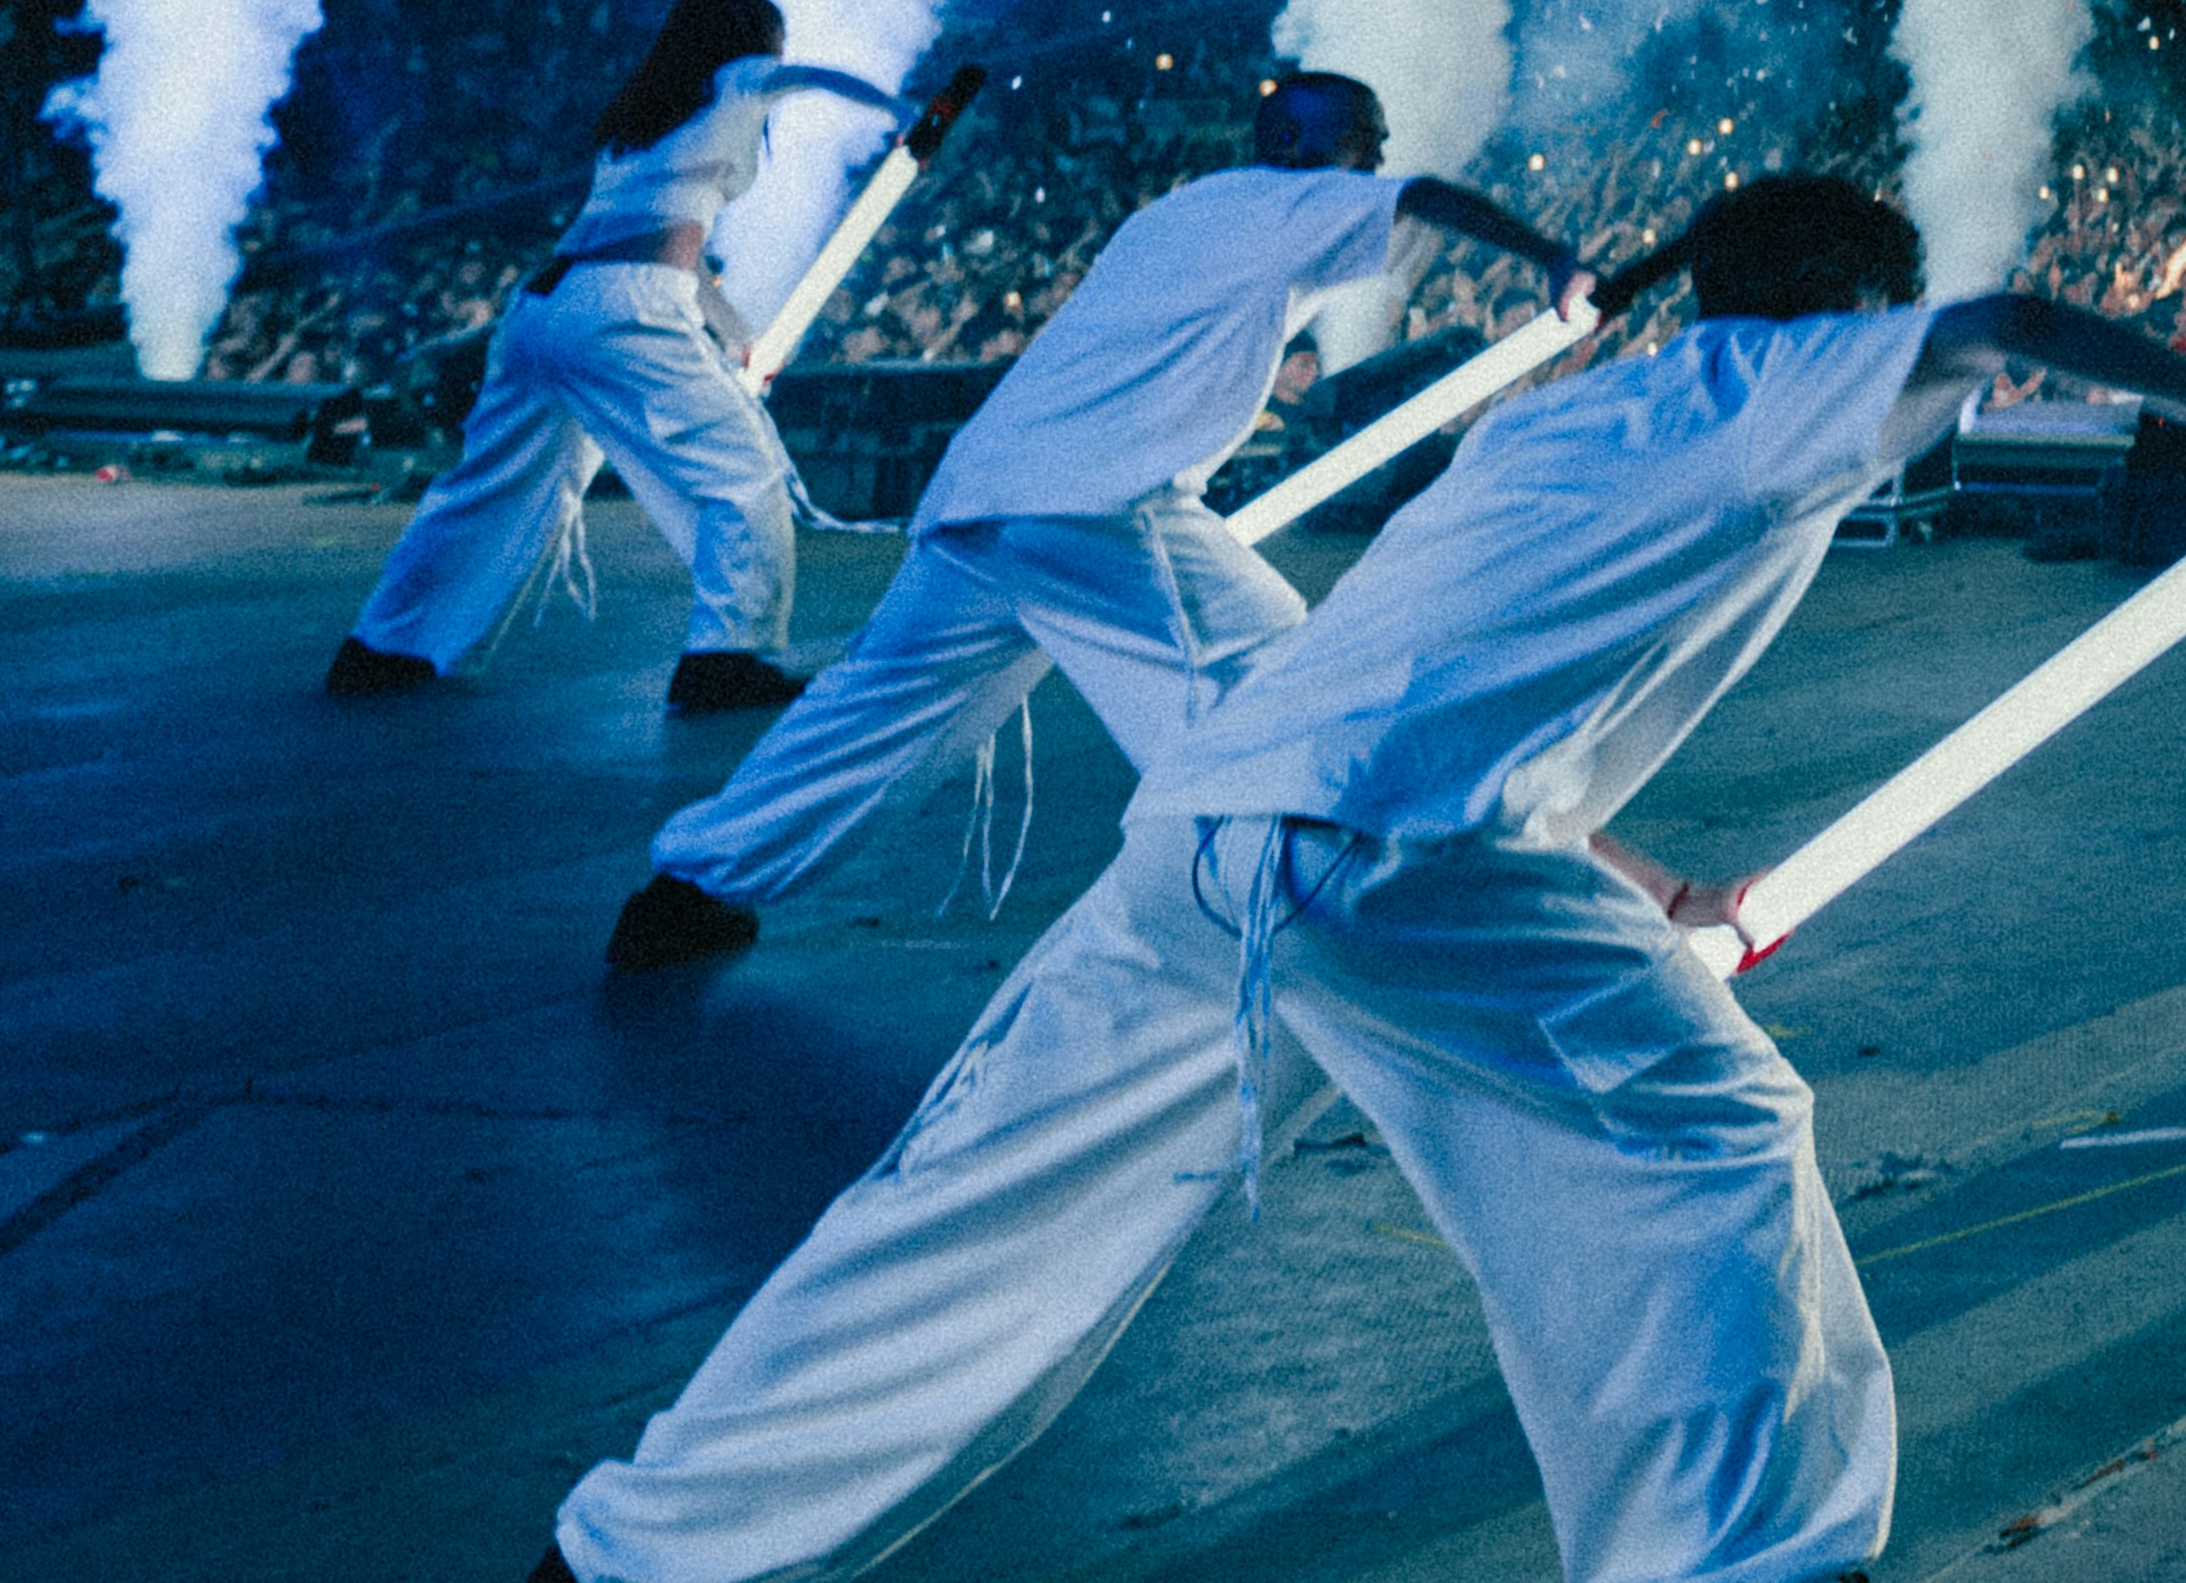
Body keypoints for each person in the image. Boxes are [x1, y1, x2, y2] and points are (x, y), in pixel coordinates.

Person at [484, 173, 2186, 1583]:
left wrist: (1652, 878)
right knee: (1707, 1125)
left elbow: (1418, 689)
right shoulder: (1769, 384)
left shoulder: (1560, 424)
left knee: (967, 1203)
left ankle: (616, 1558)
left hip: (1225, 830)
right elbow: (1996, 315)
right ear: (1834, 309)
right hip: (1392, 865)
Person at [600, 78, 1588, 975]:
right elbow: (1420, 198)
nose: (1372, 161)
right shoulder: (1282, 196)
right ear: (1298, 143)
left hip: (981, 501)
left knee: (865, 717)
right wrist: (1555, 260)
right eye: (1362, 142)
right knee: (1275, 680)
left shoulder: (1180, 215)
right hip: (1100, 508)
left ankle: (690, 887)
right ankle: (1297, 918)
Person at [325, 0, 899, 714]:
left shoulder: (642, 121)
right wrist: (901, 112)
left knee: (495, 485)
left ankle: (386, 645)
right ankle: (729, 653)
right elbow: (805, 81)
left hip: (544, 311)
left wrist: (738, 336)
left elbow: (666, 244)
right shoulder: (738, 82)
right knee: (741, 466)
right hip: (622, 310)